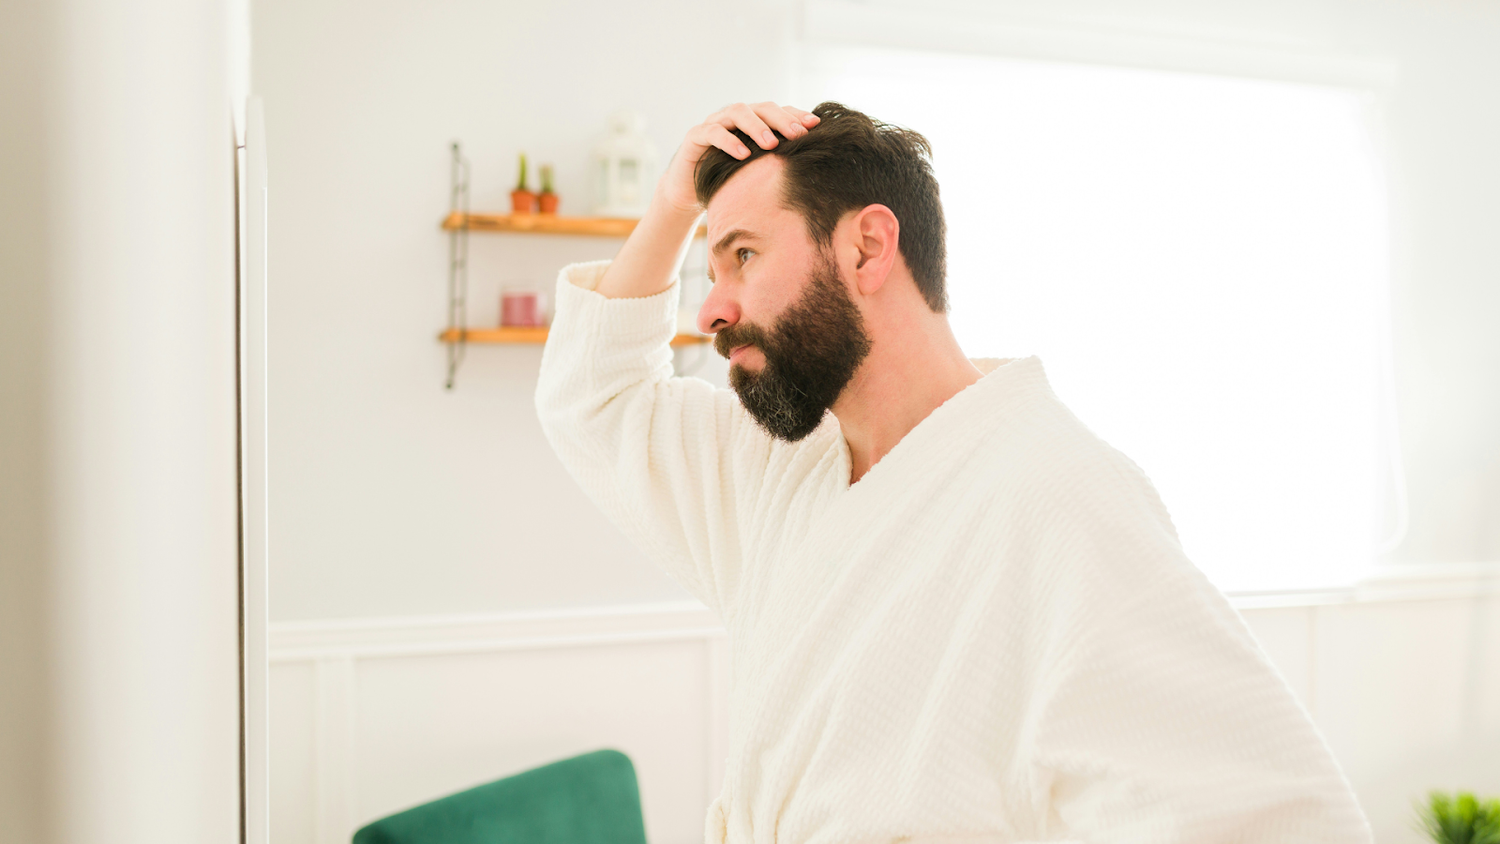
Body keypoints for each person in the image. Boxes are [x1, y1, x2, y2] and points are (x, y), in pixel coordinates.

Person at [535, 101, 1373, 843]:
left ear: (868, 247)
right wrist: (672, 206)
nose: (710, 310)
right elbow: (595, 400)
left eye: (743, 256)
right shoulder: (780, 467)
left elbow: (1273, 820)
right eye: (708, 271)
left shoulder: (1060, 498)